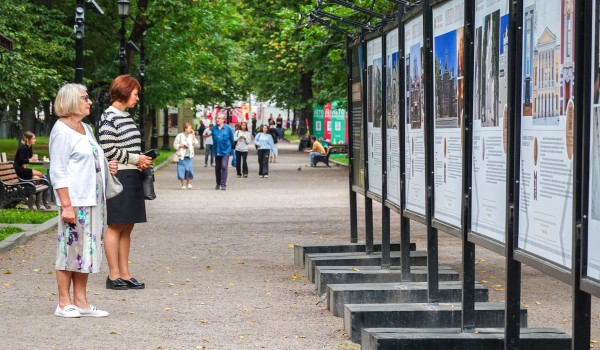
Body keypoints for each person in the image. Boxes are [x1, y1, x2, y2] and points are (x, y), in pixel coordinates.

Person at [50, 83, 118, 317]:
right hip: (75, 201)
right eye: (85, 98)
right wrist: (66, 205)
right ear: (70, 101)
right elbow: (58, 171)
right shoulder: (61, 130)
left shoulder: (85, 128)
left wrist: (106, 166)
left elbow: (88, 158)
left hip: (93, 200)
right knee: (69, 249)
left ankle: (81, 301)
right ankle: (63, 302)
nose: (89, 102)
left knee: (86, 251)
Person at [99, 74, 152, 291]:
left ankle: (125, 273)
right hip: (118, 176)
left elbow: (127, 147)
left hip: (132, 175)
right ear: (124, 91)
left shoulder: (126, 116)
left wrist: (141, 159)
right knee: (115, 225)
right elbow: (107, 149)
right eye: (135, 93)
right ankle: (113, 275)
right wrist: (135, 158)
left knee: (127, 226)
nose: (137, 98)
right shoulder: (109, 117)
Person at [174, 122, 199, 189]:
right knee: (181, 170)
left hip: (189, 156)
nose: (191, 129)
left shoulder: (191, 136)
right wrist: (180, 146)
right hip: (181, 156)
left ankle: (188, 183)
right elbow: (175, 144)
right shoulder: (180, 135)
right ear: (185, 128)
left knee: (189, 170)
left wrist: (193, 135)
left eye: (191, 128)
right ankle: (183, 185)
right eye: (190, 128)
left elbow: (196, 143)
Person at [212, 113, 234, 190]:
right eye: (216, 118)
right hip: (217, 151)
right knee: (217, 168)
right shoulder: (214, 128)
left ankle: (223, 184)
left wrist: (228, 147)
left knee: (224, 166)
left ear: (223, 120)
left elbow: (231, 139)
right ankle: (218, 183)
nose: (217, 120)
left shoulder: (228, 128)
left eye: (219, 118)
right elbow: (214, 139)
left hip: (225, 151)